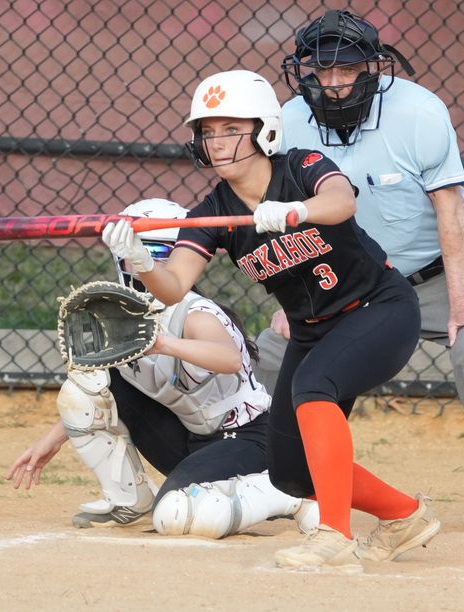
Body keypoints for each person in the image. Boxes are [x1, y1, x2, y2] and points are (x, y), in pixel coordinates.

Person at [101, 70, 440, 573]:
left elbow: (341, 200)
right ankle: (402, 515)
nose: (216, 142)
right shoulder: (214, 210)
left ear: (264, 130)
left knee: (314, 389)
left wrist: (296, 211)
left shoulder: (302, 167)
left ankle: (334, 536)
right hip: (311, 330)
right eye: (208, 132)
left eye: (230, 129)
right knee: (290, 470)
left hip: (377, 310)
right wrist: (144, 263)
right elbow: (175, 285)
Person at [258, 8, 464, 534]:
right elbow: (285, 215)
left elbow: (449, 209)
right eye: (321, 70)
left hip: (439, 268)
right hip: (350, 275)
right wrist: (291, 303)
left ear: (372, 68)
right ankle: (275, 474)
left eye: (346, 69)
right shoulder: (290, 120)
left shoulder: (419, 111)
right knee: (276, 348)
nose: (332, 83)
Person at [7, 198, 319, 539]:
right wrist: (49, 443)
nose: (140, 259)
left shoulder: (196, 312)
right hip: (190, 437)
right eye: (136, 247)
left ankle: (286, 494)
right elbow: (104, 387)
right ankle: (129, 502)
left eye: (155, 248)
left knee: (174, 514)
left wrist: (162, 344)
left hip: (249, 439)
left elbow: (228, 358)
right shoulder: (125, 310)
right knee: (86, 385)